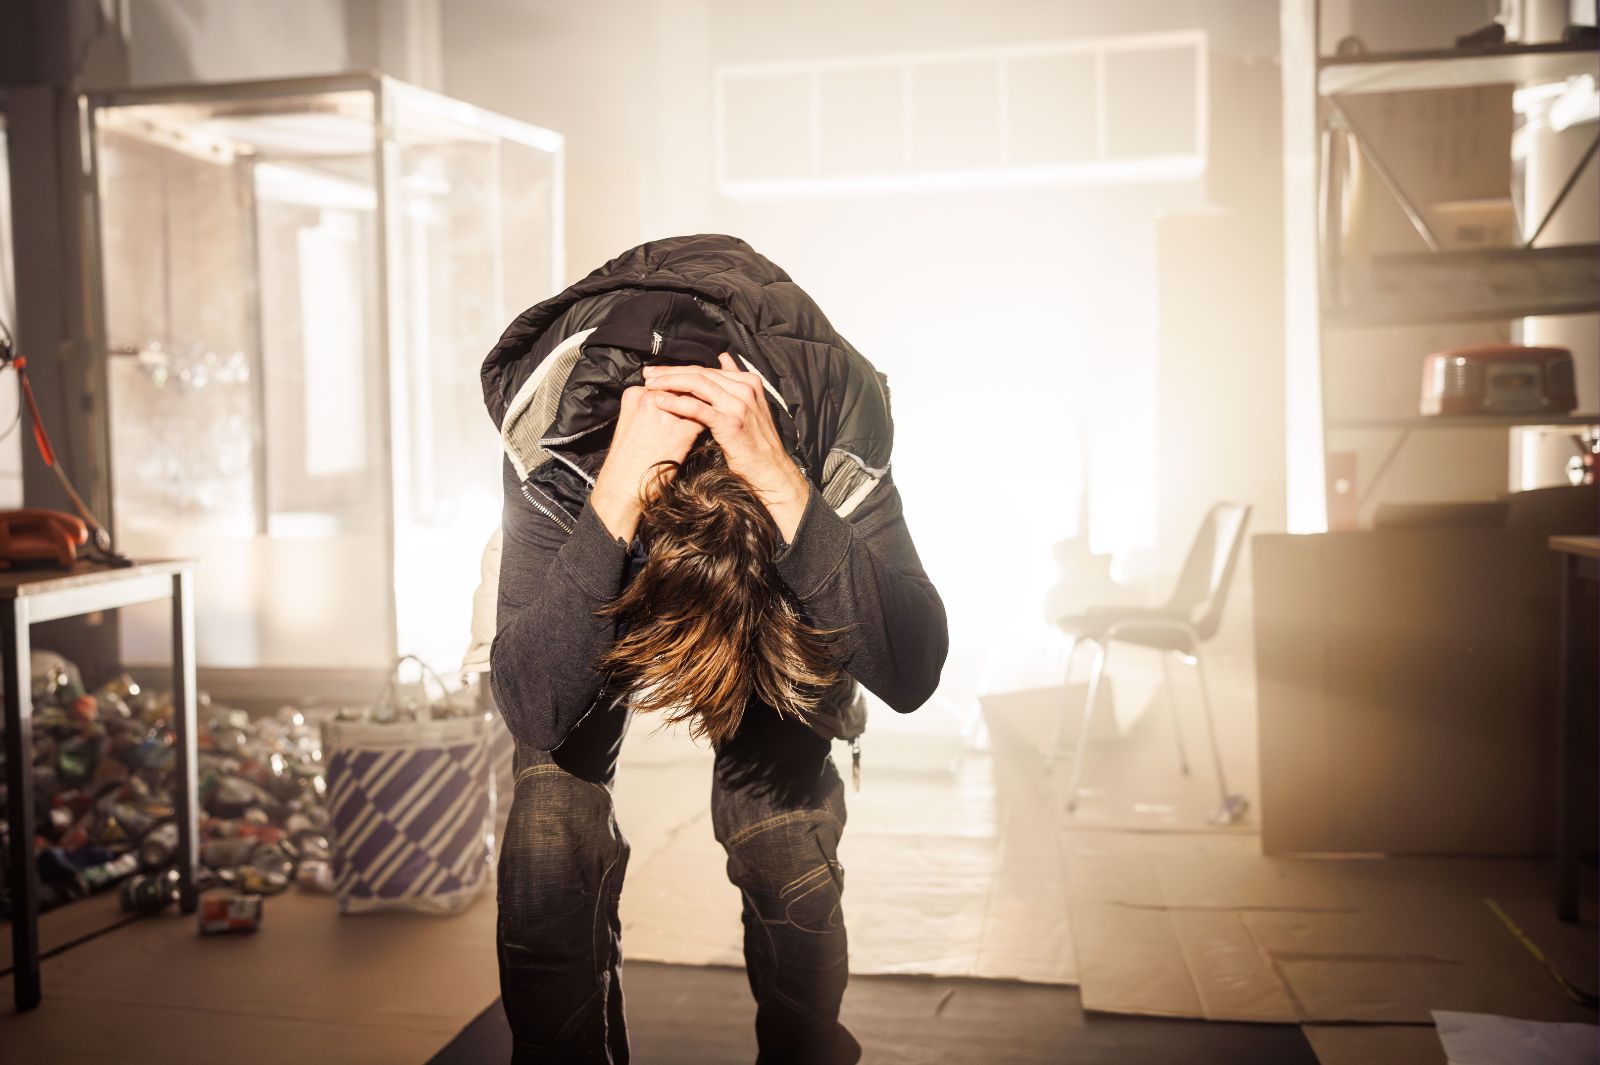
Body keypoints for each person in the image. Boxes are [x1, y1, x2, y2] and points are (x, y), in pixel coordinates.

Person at [484, 234, 948, 1064]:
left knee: (783, 833)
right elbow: (533, 706)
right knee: (548, 827)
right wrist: (617, 492)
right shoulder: (556, 425)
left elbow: (912, 670)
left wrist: (785, 487)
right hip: (604, 506)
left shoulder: (837, 416)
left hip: (776, 534)